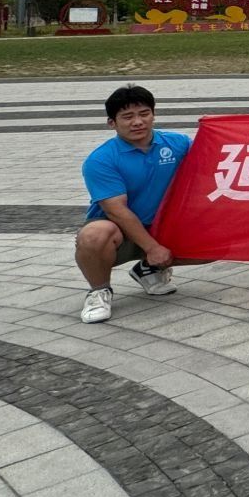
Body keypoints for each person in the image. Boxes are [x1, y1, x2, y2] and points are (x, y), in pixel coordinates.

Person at [75, 85, 192, 324]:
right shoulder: (101, 160)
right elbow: (116, 211)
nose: (138, 122)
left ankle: (148, 269)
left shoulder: (178, 143)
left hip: (162, 225)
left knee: (218, 238)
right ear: (112, 123)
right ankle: (99, 291)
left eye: (144, 114)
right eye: (127, 117)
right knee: (94, 235)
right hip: (119, 232)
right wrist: (152, 247)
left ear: (153, 115)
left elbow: (211, 163)